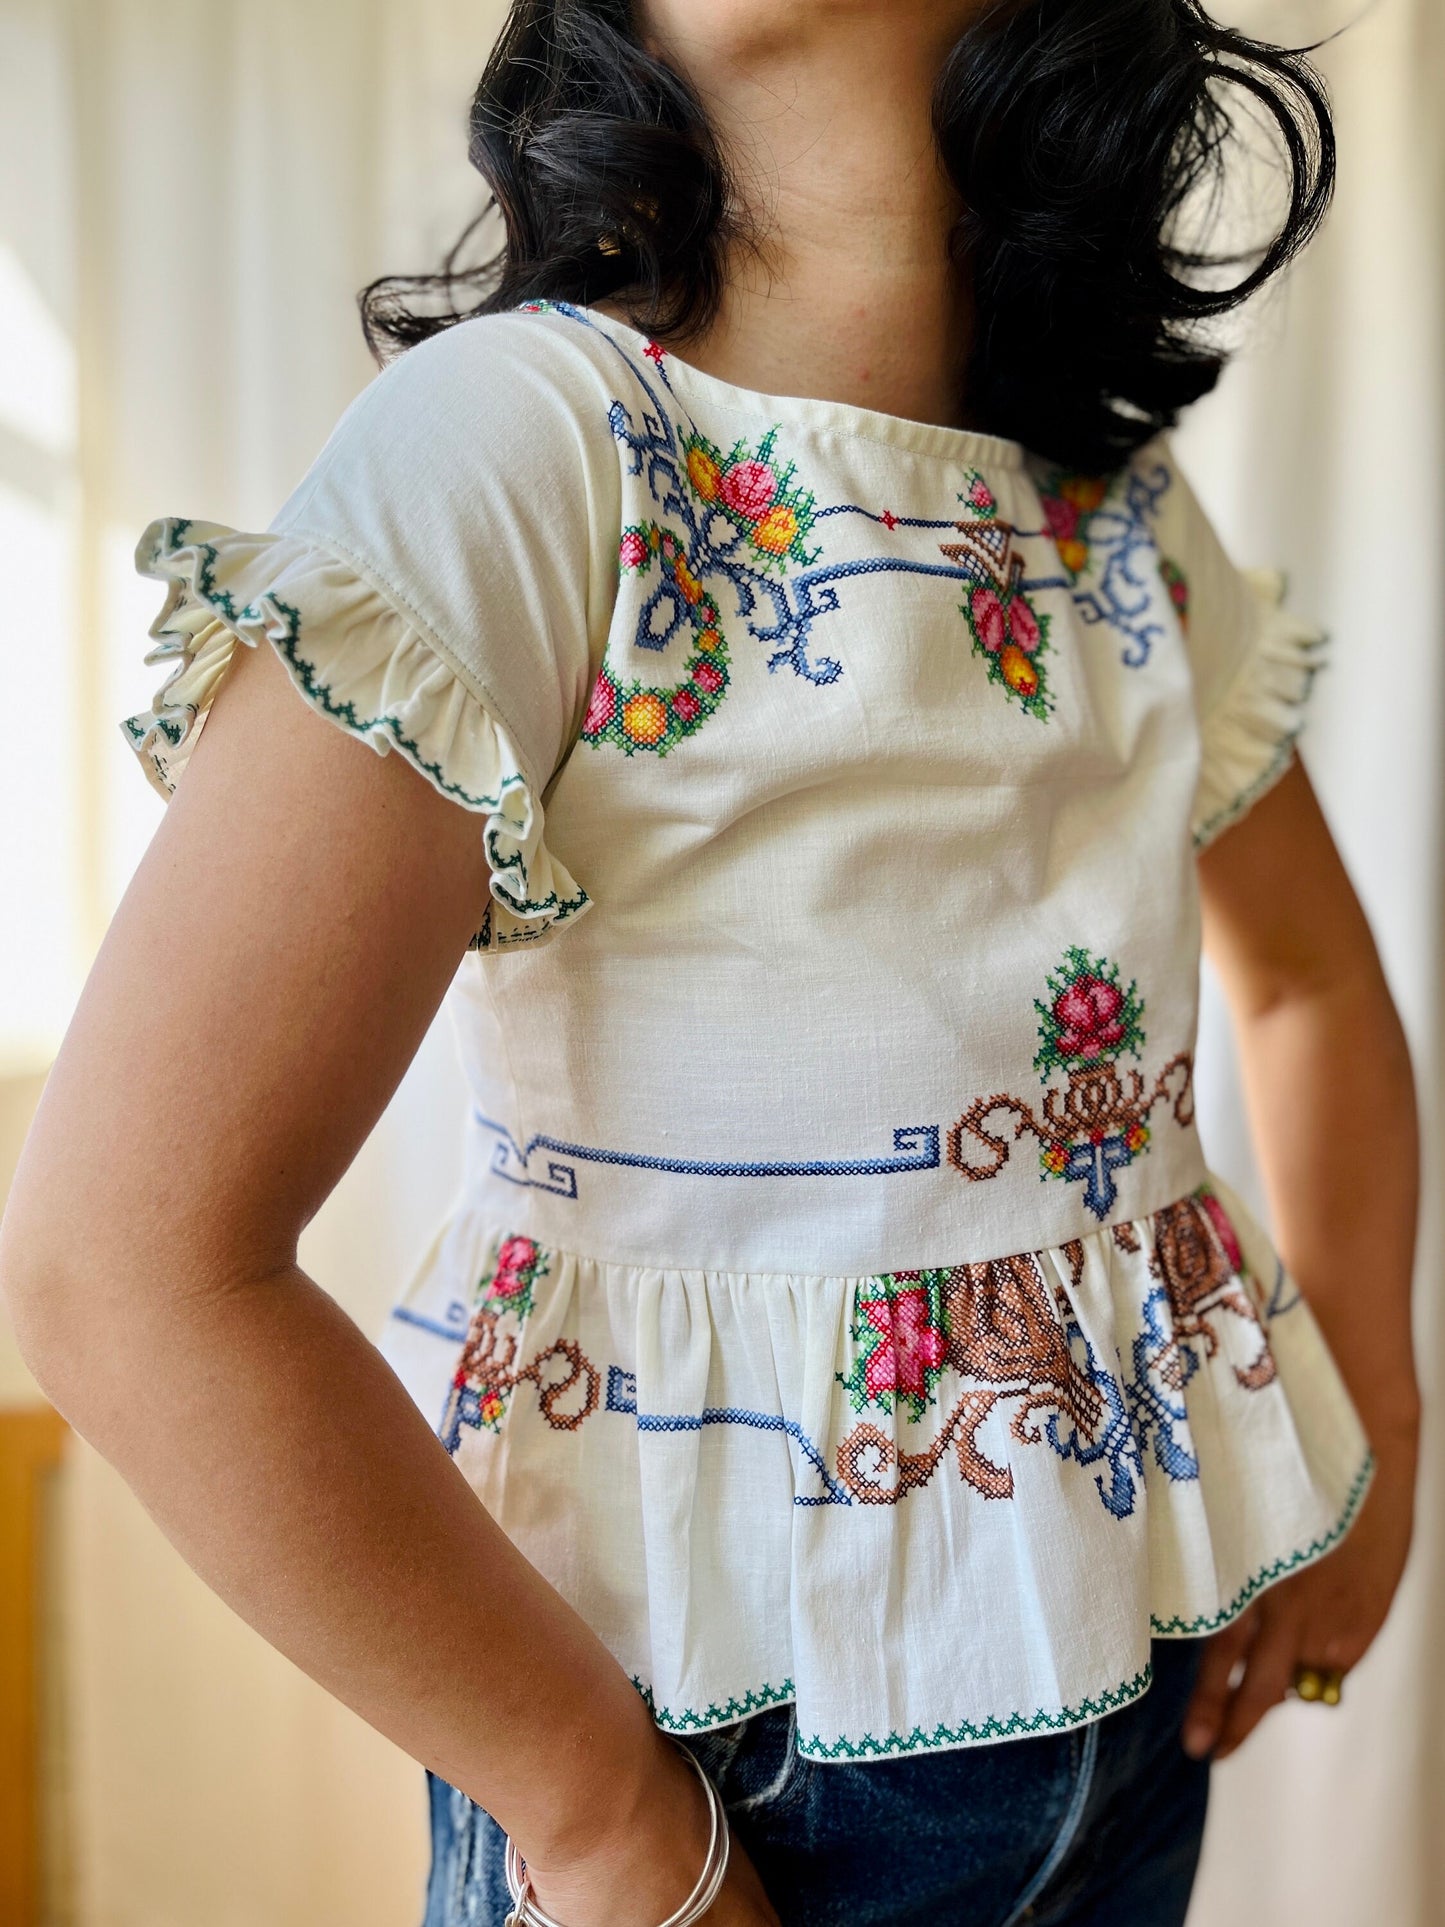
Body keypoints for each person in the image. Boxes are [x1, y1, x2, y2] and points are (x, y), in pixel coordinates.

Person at [1, 1, 1422, 1923]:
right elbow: (122, 1269)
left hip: (1131, 1657)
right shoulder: (528, 446)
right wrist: (598, 1820)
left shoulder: (1122, 505)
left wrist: (1375, 1414)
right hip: (710, 1757)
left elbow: (1312, 985)